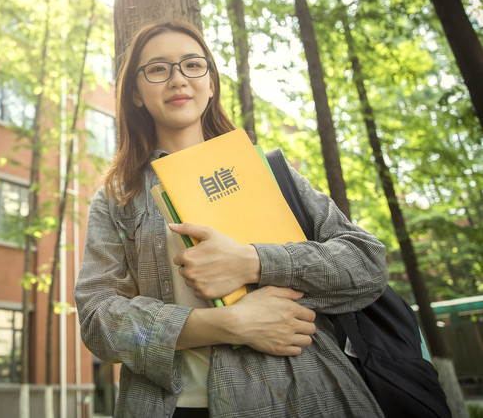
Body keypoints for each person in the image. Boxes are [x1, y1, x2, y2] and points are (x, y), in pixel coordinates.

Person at [74, 20, 389, 417]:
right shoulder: (117, 198)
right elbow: (97, 318)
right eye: (157, 69)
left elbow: (368, 263)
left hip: (304, 396)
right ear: (136, 93)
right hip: (168, 406)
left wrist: (252, 261)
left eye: (192, 65)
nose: (177, 80)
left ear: (210, 83)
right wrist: (229, 324)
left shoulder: (269, 171)